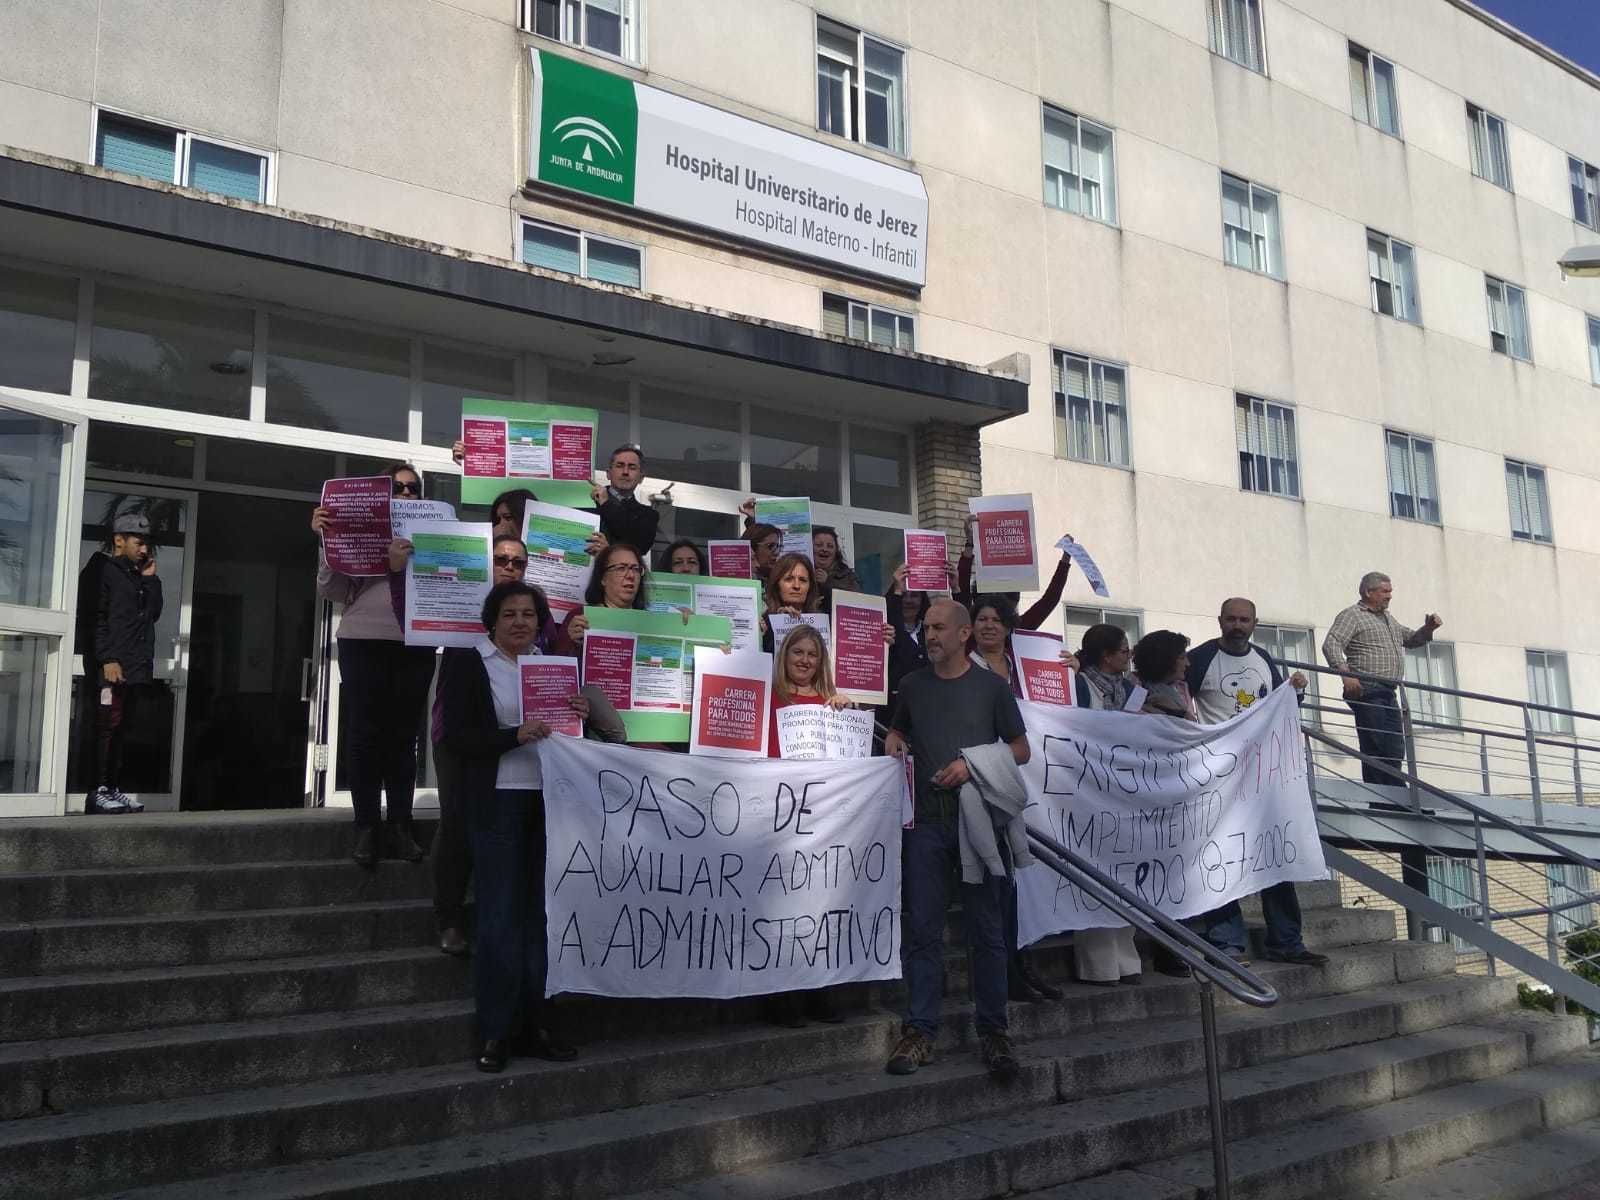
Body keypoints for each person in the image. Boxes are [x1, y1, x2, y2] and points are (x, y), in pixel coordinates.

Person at [440, 581, 584, 1072]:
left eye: (528, 614)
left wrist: (579, 713)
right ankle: (496, 1032)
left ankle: (538, 1026)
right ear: (493, 620)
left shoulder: (553, 667)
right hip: (497, 803)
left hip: (549, 804)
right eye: (510, 614)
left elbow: (576, 731)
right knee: (499, 921)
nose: (520, 622)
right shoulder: (467, 662)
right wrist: (512, 736)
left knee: (541, 923)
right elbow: (457, 737)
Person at [884, 598, 1030, 1081]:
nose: (929, 635)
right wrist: (894, 738)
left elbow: (1021, 749)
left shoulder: (992, 687)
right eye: (926, 628)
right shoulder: (910, 685)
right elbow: (900, 728)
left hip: (980, 826)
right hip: (926, 825)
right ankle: (920, 1031)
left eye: (939, 628)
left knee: (988, 932)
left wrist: (973, 764)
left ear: (964, 634)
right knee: (923, 932)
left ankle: (994, 1032)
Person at [1183, 598, 1329, 968]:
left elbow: (1280, 706)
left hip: (1266, 778)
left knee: (1276, 855)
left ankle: (1287, 941)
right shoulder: (1199, 659)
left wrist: (1295, 691)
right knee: (1223, 856)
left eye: (1243, 619)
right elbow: (1179, 702)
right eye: (1230, 619)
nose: (1237, 625)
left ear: (1254, 623)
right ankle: (1227, 944)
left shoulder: (1264, 658)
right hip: (1220, 777)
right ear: (1219, 620)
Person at [310, 462, 436, 867]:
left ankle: (401, 822)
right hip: (362, 638)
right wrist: (327, 541)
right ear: (382, 493)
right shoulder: (358, 532)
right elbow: (332, 589)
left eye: (412, 488)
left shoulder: (433, 534)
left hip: (415, 642)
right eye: (397, 487)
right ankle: (366, 825)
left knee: (403, 736)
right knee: (364, 733)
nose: (405, 494)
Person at [966, 594, 1080, 1002]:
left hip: (1032, 783)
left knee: (1025, 880)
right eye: (982, 619)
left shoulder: (1026, 667)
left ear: (1010, 628)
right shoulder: (964, 668)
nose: (989, 626)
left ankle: (1022, 964)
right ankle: (1005, 973)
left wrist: (1072, 675)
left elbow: (1061, 711)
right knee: (999, 884)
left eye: (997, 620)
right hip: (987, 782)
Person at [766, 623, 855, 1027]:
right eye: (797, 652)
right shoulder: (769, 700)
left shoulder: (832, 704)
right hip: (778, 820)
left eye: (812, 654)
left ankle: (822, 990)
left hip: (822, 824)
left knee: (820, 910)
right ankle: (784, 996)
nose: (804, 660)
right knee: (784, 910)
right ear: (784, 657)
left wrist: (847, 714)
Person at [1070, 623, 1143, 985]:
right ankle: (1098, 964)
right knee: (1093, 874)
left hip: (1123, 790)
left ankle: (1127, 959)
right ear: (1106, 655)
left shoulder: (1131, 689)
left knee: (1124, 874)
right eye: (1124, 650)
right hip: (1087, 791)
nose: (1129, 656)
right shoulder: (1079, 685)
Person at [77, 512, 163, 814]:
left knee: (121, 728)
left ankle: (113, 788)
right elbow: (94, 619)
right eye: (138, 543)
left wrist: (151, 580)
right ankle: (97, 790)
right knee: (104, 727)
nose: (144, 550)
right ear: (119, 540)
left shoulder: (137, 577)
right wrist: (107, 659)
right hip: (109, 668)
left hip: (132, 667)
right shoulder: (101, 570)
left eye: (146, 544)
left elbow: (152, 614)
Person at [1322, 572, 1443, 784]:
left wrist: (1428, 629)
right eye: (1385, 591)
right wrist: (1346, 675)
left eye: (1390, 591)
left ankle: (1395, 795)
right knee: (1376, 744)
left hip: (1387, 691)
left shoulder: (1387, 618)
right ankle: (1383, 797)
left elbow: (1412, 639)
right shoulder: (1352, 615)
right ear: (1368, 592)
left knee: (1394, 746)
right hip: (1367, 688)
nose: (1389, 596)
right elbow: (1331, 644)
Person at [561, 541, 650, 649]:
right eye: (621, 568)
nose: (631, 575)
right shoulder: (580, 617)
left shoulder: (649, 621)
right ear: (603, 578)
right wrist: (571, 643)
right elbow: (559, 662)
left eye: (636, 569)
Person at [590, 444, 659, 557]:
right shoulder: (586, 501)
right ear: (608, 473)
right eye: (619, 466)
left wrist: (606, 504)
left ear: (641, 477)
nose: (625, 472)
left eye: (632, 467)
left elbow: (638, 548)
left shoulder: (649, 515)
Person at [812, 526, 861, 593]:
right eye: (819, 545)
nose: (824, 549)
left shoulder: (848, 576)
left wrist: (828, 582)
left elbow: (854, 598)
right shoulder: (801, 573)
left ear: (836, 551)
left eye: (830, 546)